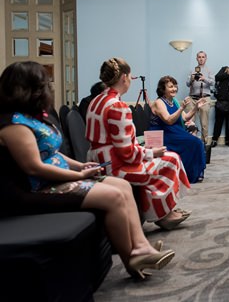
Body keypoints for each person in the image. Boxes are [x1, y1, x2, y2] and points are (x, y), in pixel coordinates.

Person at [0, 61, 175, 280]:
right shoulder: (13, 124)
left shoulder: (32, 117)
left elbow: (51, 152)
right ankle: (131, 257)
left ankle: (140, 247)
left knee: (121, 186)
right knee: (112, 196)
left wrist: (80, 165)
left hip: (56, 178)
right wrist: (79, 175)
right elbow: (34, 167)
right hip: (35, 190)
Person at [86, 58, 191, 230]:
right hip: (115, 166)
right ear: (124, 78)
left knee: (167, 157)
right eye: (131, 77)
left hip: (98, 161)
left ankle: (162, 211)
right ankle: (161, 214)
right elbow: (127, 154)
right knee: (171, 159)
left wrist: (143, 150)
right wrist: (151, 153)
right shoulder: (118, 106)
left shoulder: (96, 101)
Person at [150, 75, 208, 183]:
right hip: (163, 134)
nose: (174, 89)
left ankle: (189, 173)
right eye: (171, 87)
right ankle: (187, 174)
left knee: (197, 142)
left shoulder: (174, 101)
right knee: (195, 142)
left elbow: (185, 117)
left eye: (175, 86)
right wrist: (181, 108)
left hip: (175, 132)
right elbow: (168, 120)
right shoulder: (159, 102)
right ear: (163, 89)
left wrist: (196, 108)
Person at [186, 51, 215, 145]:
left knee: (204, 123)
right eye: (199, 57)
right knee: (190, 122)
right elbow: (187, 84)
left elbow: (213, 83)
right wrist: (192, 79)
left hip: (204, 98)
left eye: (203, 57)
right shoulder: (192, 70)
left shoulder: (209, 70)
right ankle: (190, 143)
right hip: (192, 99)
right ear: (196, 58)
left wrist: (204, 78)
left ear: (206, 58)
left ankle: (204, 144)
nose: (201, 59)